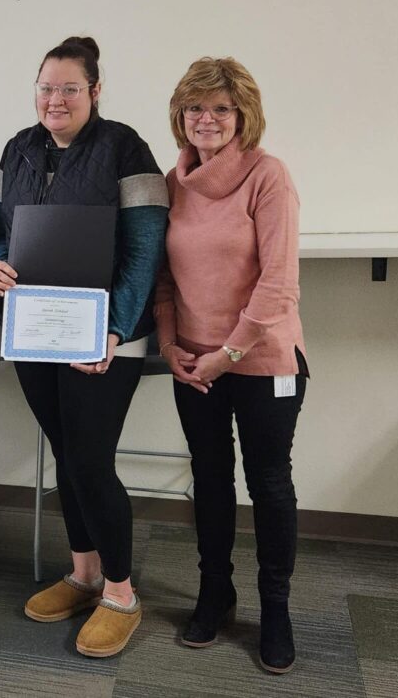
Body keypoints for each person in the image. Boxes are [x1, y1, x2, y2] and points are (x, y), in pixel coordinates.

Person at [0, 37, 167, 657]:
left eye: (69, 87)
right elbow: (2, 232)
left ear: (95, 91)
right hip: (36, 330)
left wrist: (114, 329)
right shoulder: (18, 148)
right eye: (46, 87)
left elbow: (145, 251)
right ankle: (84, 573)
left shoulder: (126, 147)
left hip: (108, 336)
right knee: (67, 455)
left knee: (91, 461)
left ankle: (120, 593)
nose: (55, 99)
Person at [154, 57, 308, 674]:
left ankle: (276, 609)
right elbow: (165, 280)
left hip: (262, 359)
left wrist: (228, 354)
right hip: (193, 363)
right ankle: (215, 592)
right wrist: (172, 349)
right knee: (211, 479)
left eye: (221, 108)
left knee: (269, 483)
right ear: (180, 116)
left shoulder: (268, 176)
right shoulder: (174, 181)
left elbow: (279, 285)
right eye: (195, 108)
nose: (207, 119)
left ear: (243, 114)